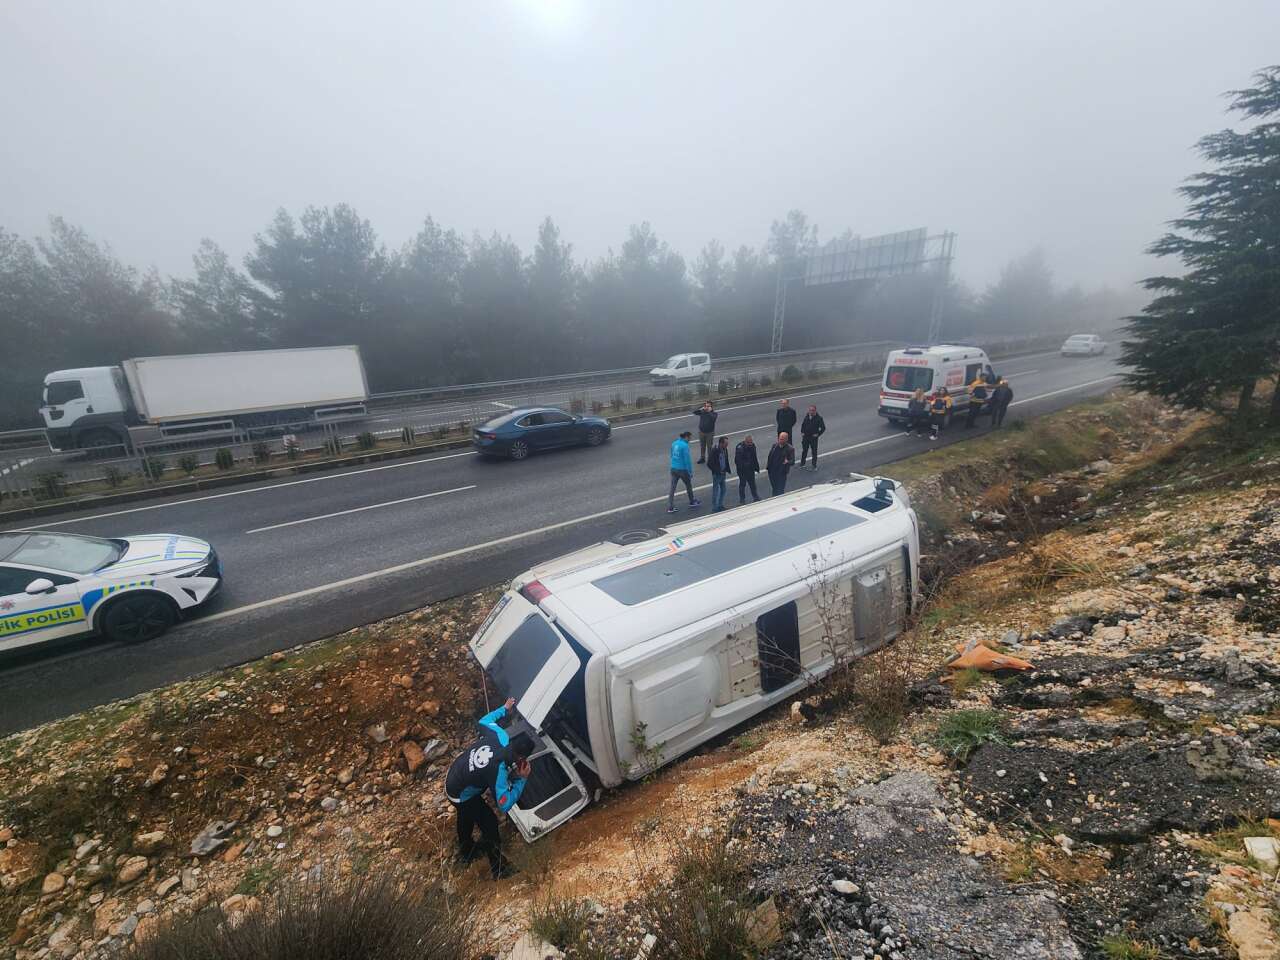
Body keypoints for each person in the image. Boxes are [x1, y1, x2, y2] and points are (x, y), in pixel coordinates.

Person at [444, 697, 530, 880]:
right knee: (489, 823)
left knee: (466, 815)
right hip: (460, 793)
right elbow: (504, 804)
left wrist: (504, 709)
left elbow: (484, 721)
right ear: (521, 758)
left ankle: (466, 852)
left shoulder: (501, 737)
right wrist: (521, 780)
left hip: (455, 772)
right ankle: (499, 869)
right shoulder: (497, 770)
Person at [668, 431, 701, 513]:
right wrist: (690, 472)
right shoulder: (684, 446)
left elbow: (671, 455)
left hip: (673, 468)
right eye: (689, 438)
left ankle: (670, 506)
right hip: (682, 469)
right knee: (688, 485)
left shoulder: (674, 443)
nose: (690, 440)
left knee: (672, 488)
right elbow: (687, 460)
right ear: (686, 437)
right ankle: (692, 501)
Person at [707, 435, 732, 512]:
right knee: (716, 491)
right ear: (721, 443)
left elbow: (726, 460)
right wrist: (717, 471)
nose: (727, 445)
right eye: (726, 443)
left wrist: (726, 469)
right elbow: (709, 463)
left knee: (723, 490)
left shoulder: (724, 449)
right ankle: (714, 508)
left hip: (723, 473)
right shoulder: (714, 450)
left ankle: (720, 505)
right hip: (717, 474)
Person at [766, 432, 796, 497]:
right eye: (780, 438)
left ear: (786, 439)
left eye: (782, 439)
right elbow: (770, 456)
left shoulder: (790, 449)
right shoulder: (774, 445)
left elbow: (793, 461)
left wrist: (787, 461)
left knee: (780, 490)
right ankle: (774, 499)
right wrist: (768, 468)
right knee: (774, 488)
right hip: (772, 472)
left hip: (781, 473)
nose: (780, 440)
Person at [735, 434, 761, 505]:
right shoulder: (740, 447)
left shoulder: (752, 446)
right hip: (742, 471)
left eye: (751, 442)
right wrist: (746, 465)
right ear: (745, 441)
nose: (750, 444)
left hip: (750, 469)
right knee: (742, 485)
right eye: (749, 442)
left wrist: (756, 467)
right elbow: (738, 461)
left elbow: (754, 457)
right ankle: (742, 500)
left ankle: (755, 497)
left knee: (752, 484)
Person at [799, 404, 826, 470]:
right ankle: (802, 463)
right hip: (806, 437)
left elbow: (823, 428)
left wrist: (818, 434)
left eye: (812, 410)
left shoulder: (819, 418)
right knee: (804, 450)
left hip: (813, 438)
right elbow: (803, 425)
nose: (811, 412)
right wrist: (802, 432)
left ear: (815, 411)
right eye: (810, 410)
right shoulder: (807, 416)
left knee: (814, 452)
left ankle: (814, 465)